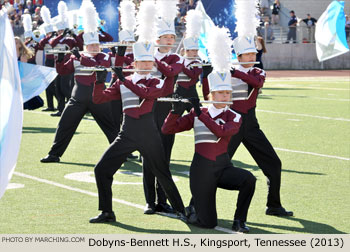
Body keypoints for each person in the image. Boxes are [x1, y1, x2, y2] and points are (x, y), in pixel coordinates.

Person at [162, 26, 256, 233]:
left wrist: (201, 113)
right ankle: (191, 210)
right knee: (208, 223)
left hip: (222, 168)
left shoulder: (234, 115)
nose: (225, 96)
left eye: (227, 93)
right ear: (212, 95)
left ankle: (240, 220)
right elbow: (168, 130)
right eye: (220, 93)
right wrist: (175, 112)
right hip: (201, 171)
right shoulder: (198, 113)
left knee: (249, 179)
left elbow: (222, 132)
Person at [89, 41, 187, 224]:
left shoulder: (155, 81)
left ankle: (181, 210)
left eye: (150, 62)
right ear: (134, 64)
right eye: (142, 62)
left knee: (162, 173)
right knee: (101, 169)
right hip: (126, 134)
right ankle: (106, 211)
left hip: (149, 134)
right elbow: (99, 98)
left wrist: (124, 80)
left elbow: (147, 94)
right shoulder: (122, 81)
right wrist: (99, 81)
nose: (146, 65)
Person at [40, 3, 118, 163]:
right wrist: (60, 60)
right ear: (85, 46)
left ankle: (124, 152)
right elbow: (63, 71)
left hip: (99, 99)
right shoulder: (77, 56)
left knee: (111, 127)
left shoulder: (103, 56)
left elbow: (98, 67)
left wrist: (80, 57)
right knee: (64, 126)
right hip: (78, 99)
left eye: (96, 45)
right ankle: (54, 154)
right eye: (91, 45)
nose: (95, 47)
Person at [226, 35, 293, 217]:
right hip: (232, 124)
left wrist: (235, 72)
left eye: (252, 53)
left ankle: (273, 205)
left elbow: (256, 83)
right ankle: (195, 205)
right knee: (216, 164)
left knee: (273, 163)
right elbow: (210, 91)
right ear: (238, 57)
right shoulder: (227, 72)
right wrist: (218, 69)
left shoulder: (258, 71)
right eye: (246, 55)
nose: (251, 57)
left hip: (251, 125)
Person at [142, 1, 183, 215]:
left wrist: (153, 60)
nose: (169, 41)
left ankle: (162, 199)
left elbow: (170, 72)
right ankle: (150, 201)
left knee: (165, 157)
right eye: (166, 37)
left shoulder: (177, 58)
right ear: (157, 39)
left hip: (166, 108)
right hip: (148, 108)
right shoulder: (145, 53)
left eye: (172, 38)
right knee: (149, 156)